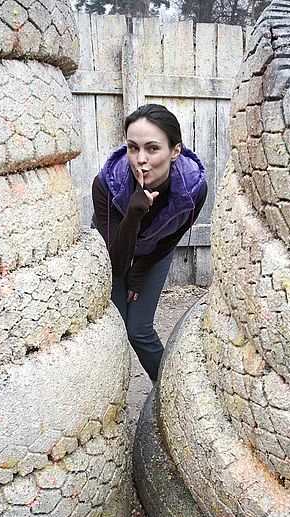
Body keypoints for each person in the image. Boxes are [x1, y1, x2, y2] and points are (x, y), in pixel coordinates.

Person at [92, 104, 208, 382]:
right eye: (133, 148)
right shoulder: (106, 185)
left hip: (156, 250)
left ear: (175, 151)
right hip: (115, 246)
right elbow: (118, 264)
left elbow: (173, 236)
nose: (140, 159)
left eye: (153, 148)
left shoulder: (194, 189)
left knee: (139, 330)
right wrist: (133, 213)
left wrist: (141, 271)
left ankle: (171, 389)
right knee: (115, 326)